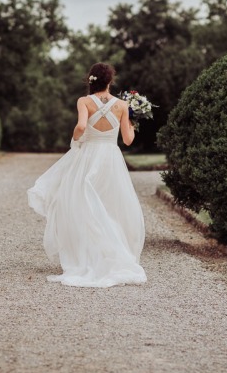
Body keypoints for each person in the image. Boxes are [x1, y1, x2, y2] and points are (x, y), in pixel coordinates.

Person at [27, 62, 147, 287]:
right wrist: (131, 121)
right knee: (110, 204)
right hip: (111, 158)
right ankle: (111, 252)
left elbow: (82, 126)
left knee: (81, 202)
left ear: (91, 80)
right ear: (110, 81)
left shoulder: (83, 101)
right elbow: (128, 140)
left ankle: (86, 254)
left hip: (89, 156)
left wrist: (75, 141)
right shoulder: (122, 105)